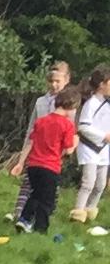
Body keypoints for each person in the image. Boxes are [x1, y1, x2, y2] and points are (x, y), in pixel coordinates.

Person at [16, 88, 79, 234]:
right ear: (71, 106)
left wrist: (21, 162)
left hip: (33, 165)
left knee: (36, 194)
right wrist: (75, 141)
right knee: (47, 200)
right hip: (50, 166)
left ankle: (24, 219)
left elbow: (32, 142)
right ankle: (41, 228)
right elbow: (68, 150)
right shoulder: (67, 125)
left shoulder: (41, 121)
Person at [73, 67, 110, 229]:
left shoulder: (107, 103)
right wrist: (103, 136)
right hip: (89, 147)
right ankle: (78, 212)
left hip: (104, 148)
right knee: (88, 182)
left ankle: (90, 210)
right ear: (102, 84)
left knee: (100, 184)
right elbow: (83, 126)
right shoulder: (91, 103)